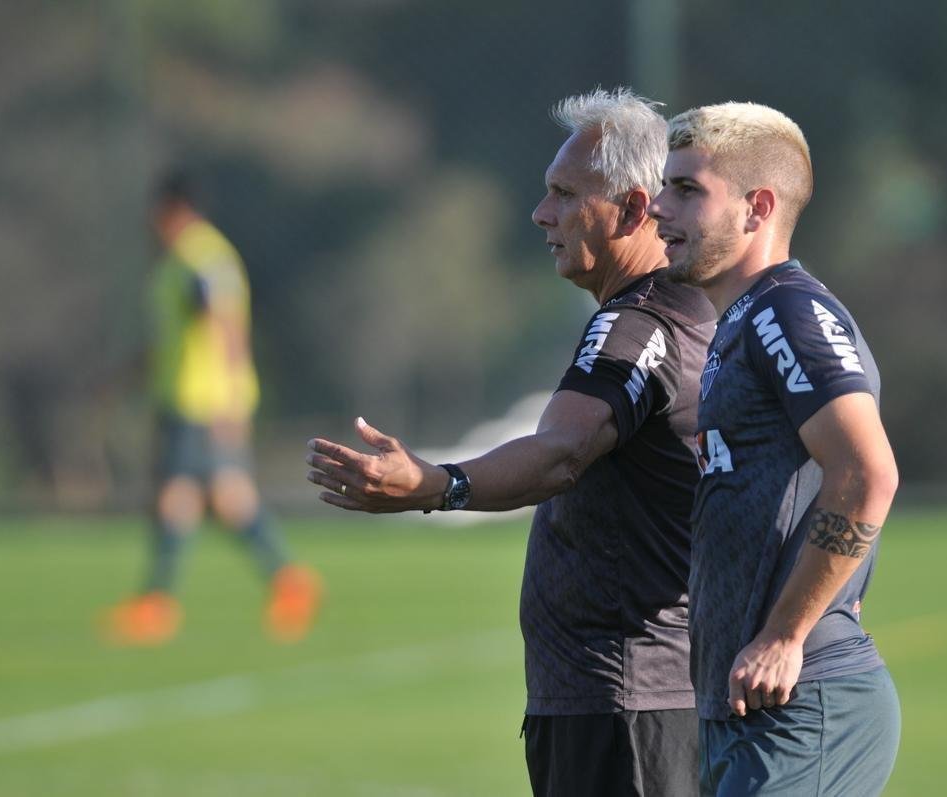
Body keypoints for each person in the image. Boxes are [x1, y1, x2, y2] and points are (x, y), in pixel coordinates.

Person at [305, 88, 716, 796]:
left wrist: (438, 486)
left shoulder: (639, 325)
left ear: (631, 210)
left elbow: (561, 451)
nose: (542, 214)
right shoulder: (669, 312)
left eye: (563, 194)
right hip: (623, 704)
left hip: (626, 708)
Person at [647, 102, 901, 795]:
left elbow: (867, 472)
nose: (658, 207)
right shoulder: (744, 319)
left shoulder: (789, 312)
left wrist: (786, 635)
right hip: (750, 709)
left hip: (801, 702)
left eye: (687, 190)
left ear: (758, 208)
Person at [106, 172, 322, 645]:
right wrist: (131, 374)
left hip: (203, 403)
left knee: (177, 498)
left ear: (174, 210)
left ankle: (156, 603)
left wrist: (229, 400)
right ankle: (289, 582)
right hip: (186, 399)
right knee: (228, 499)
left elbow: (222, 327)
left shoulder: (200, 258)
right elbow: (173, 337)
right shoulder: (179, 262)